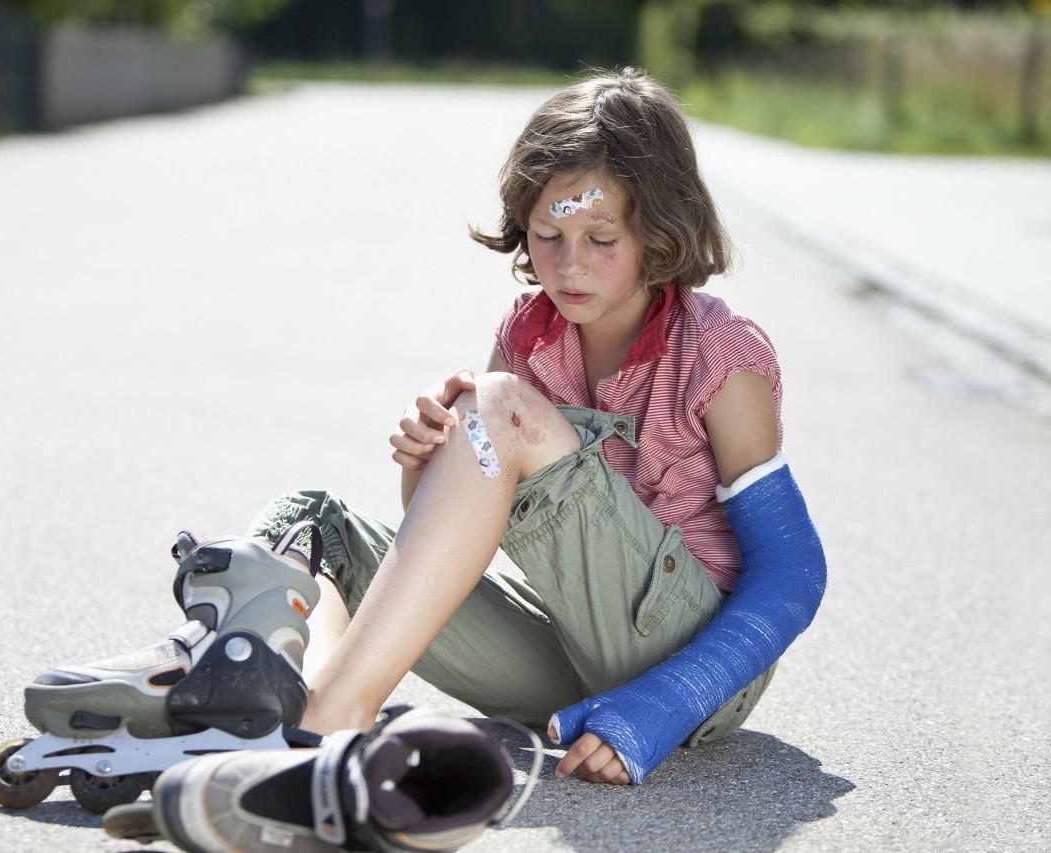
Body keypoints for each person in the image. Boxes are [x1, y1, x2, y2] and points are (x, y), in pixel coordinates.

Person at [247, 67, 826, 786]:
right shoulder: (528, 336)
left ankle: (328, 724)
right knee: (315, 530)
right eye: (548, 233)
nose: (568, 263)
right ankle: (284, 702)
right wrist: (429, 455)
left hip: (696, 666)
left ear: (659, 228)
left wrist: (662, 704)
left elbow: (794, 574)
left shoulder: (721, 354)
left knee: (497, 407)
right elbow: (457, 535)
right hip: (573, 639)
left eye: (601, 237)